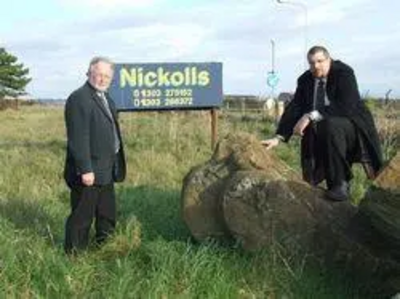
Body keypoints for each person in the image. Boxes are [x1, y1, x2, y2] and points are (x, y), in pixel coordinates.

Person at [262, 45, 382, 201]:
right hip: (323, 130)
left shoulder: (344, 73)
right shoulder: (305, 79)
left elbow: (347, 106)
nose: (315, 66)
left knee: (330, 124)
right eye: (311, 63)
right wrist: (278, 137)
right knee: (320, 129)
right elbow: (295, 107)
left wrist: (311, 116)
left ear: (329, 59)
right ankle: (312, 185)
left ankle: (339, 184)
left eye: (320, 61)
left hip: (353, 127)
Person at [63, 56, 126, 253]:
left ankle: (105, 248)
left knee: (106, 213)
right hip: (89, 171)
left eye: (107, 76)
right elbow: (78, 137)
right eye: (98, 74)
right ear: (89, 73)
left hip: (106, 168)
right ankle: (74, 255)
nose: (102, 79)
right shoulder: (79, 98)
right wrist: (85, 169)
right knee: (82, 215)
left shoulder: (106, 98)